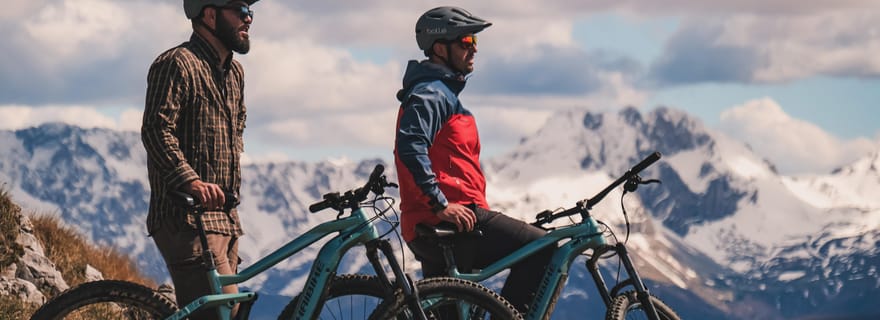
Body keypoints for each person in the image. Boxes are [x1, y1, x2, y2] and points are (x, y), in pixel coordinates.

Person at [394, 6, 554, 314]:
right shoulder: (433, 93)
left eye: (475, 43)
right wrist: (440, 204)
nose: (474, 49)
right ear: (440, 48)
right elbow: (410, 144)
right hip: (447, 218)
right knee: (542, 248)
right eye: (466, 41)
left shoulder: (440, 93)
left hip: (437, 220)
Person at [141, 0, 256, 318]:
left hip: (226, 221)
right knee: (220, 314)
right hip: (187, 219)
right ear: (209, 14)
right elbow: (155, 130)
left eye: (250, 11)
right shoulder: (177, 63)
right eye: (239, 10)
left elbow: (236, 132)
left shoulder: (234, 73)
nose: (248, 18)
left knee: (228, 312)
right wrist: (190, 180)